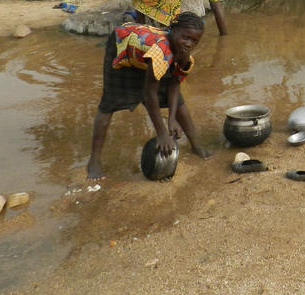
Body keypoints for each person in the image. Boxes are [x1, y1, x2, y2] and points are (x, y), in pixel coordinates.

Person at [87, 12, 212, 180]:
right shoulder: (160, 52)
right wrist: (162, 133)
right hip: (122, 47)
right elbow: (149, 93)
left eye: (194, 41)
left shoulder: (184, 54)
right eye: (185, 38)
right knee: (109, 102)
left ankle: (196, 145)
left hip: (144, 55)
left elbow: (174, 86)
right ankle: (94, 160)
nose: (189, 44)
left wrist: (171, 119)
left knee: (176, 100)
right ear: (172, 30)